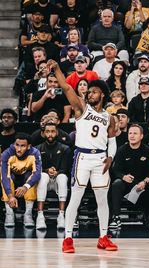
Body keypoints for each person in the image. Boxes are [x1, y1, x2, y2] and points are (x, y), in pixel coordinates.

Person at [46, 59, 118, 252]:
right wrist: (57, 69)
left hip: (101, 159)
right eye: (88, 91)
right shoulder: (81, 108)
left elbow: (112, 141)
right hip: (83, 158)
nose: (89, 93)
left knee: (102, 199)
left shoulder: (110, 117)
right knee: (75, 197)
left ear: (101, 94)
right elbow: (67, 88)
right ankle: (68, 238)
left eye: (93, 91)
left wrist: (110, 157)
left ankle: (103, 236)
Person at [110, 124, 149, 229]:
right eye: (130, 133)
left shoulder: (147, 150)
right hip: (128, 184)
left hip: (144, 184)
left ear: (141, 136)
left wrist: (145, 182)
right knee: (117, 184)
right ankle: (116, 217)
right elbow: (116, 170)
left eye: (135, 133)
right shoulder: (122, 150)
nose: (132, 135)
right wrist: (123, 177)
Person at [35, 122, 71, 230]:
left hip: (58, 181)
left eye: (52, 131)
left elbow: (66, 168)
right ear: (43, 133)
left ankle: (61, 215)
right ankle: (40, 216)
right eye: (47, 131)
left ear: (57, 133)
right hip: (44, 182)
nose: (50, 134)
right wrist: (47, 170)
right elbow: (37, 168)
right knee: (43, 176)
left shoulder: (65, 148)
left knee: (63, 177)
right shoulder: (38, 149)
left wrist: (57, 172)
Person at [1, 133, 42, 227]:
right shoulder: (7, 154)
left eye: (23, 146)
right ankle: (9, 213)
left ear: (28, 146)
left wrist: (25, 187)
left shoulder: (35, 153)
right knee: (4, 176)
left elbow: (37, 173)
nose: (19, 149)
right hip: (12, 177)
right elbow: (4, 175)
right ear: (14, 144)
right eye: (17, 145)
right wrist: (10, 195)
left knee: (32, 178)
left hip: (26, 178)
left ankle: (28, 213)